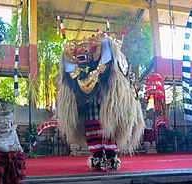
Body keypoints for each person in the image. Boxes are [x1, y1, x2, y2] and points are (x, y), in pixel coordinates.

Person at [58, 32, 145, 172]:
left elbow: (108, 63)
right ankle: (96, 155)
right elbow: (69, 76)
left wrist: (107, 43)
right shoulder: (77, 73)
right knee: (92, 132)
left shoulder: (104, 70)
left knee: (107, 131)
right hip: (89, 109)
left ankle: (111, 156)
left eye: (85, 53)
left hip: (103, 108)